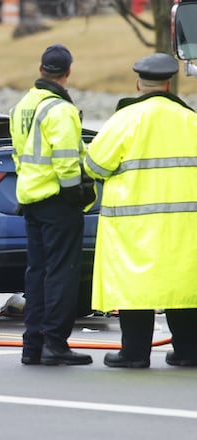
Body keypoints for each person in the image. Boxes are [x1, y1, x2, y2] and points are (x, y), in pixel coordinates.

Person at [84, 52, 197, 368]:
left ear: (138, 83)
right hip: (185, 226)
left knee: (135, 288)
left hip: (134, 225)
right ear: (169, 83)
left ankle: (134, 354)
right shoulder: (191, 120)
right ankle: (189, 351)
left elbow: (95, 165)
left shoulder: (125, 119)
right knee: (184, 286)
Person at [9, 43, 94, 366]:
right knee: (62, 274)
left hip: (30, 199)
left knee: (38, 273)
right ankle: (55, 343)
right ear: (68, 72)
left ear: (42, 69)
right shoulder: (61, 110)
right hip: (58, 201)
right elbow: (66, 161)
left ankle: (32, 344)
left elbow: (19, 155)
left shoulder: (22, 106)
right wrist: (77, 194)